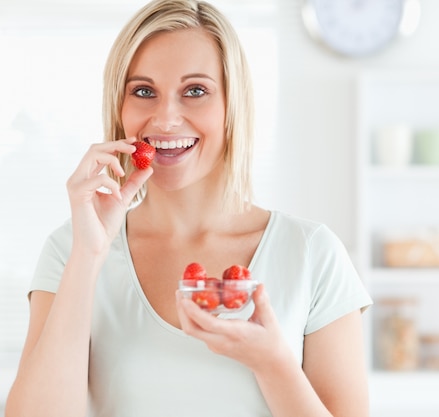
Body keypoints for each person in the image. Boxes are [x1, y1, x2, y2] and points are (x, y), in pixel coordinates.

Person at [5, 0, 372, 416]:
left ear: (232, 105)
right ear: (119, 107)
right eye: (144, 92)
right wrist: (89, 256)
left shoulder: (313, 253)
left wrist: (272, 364)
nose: (165, 119)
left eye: (195, 91)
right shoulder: (72, 247)